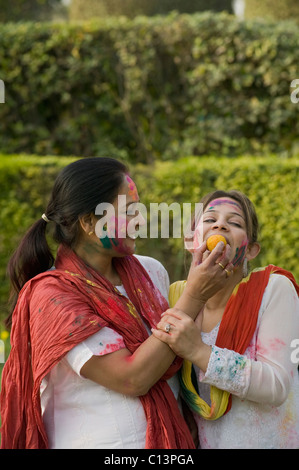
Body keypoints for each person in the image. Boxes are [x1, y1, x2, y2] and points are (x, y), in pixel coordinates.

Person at [0, 158, 233, 450]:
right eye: (129, 212)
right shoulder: (53, 294)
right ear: (88, 223)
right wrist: (194, 296)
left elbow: (182, 350)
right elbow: (132, 379)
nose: (142, 221)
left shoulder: (151, 272)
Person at [153, 190, 299, 449]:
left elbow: (277, 387)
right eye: (210, 220)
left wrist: (198, 351)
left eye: (235, 223)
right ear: (190, 239)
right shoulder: (174, 297)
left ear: (252, 250)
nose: (220, 225)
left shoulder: (273, 290)